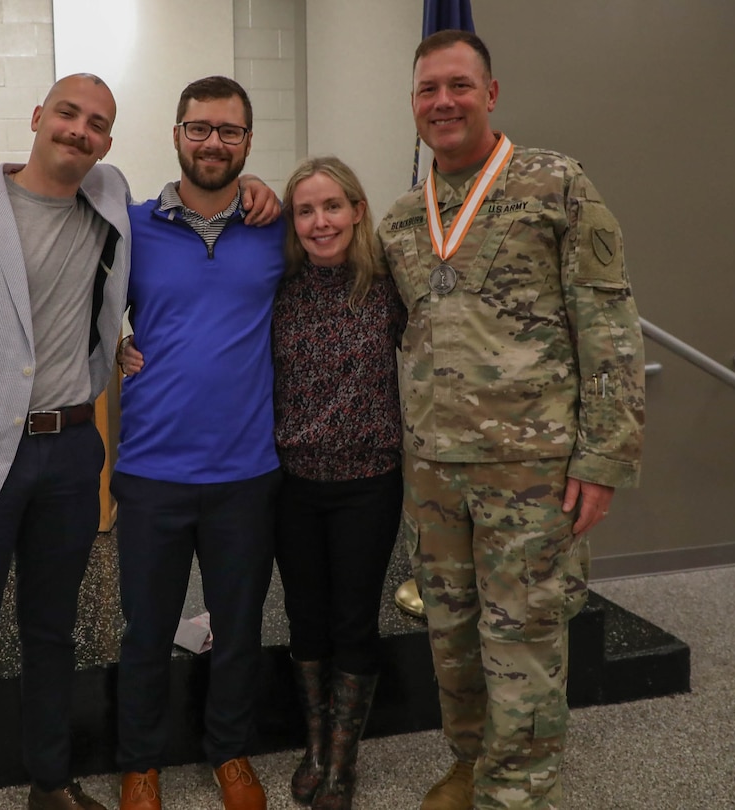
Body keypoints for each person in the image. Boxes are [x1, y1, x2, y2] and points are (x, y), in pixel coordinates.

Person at [0, 73, 278, 810]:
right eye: (67, 113)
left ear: (108, 141)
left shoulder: (110, 203)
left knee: (53, 635)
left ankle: (51, 784)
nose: (79, 130)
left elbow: (196, 220)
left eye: (96, 122)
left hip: (74, 454)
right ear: (38, 116)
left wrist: (254, 185)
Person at [377, 30, 645, 810]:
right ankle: (471, 762)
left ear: (491, 93)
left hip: (531, 473)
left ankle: (516, 792)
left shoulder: (555, 183)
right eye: (429, 90)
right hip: (432, 471)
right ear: (416, 105)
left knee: (523, 641)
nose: (444, 102)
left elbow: (608, 323)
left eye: (459, 86)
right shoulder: (401, 220)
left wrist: (604, 456)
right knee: (453, 639)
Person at [110, 76, 286, 810]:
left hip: (247, 472)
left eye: (230, 131)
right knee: (146, 631)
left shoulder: (276, 230)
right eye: (200, 128)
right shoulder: (128, 228)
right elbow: (73, 310)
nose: (214, 142)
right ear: (176, 134)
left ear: (249, 141)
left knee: (238, 630)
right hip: (151, 469)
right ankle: (140, 762)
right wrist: (114, 345)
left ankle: (231, 754)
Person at [272, 156, 406, 810]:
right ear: (293, 223)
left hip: (369, 483)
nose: (320, 221)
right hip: (293, 485)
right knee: (305, 619)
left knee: (354, 620)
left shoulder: (390, 287)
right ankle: (317, 744)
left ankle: (344, 765)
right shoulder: (279, 287)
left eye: (332, 207)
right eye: (306, 210)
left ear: (357, 210)